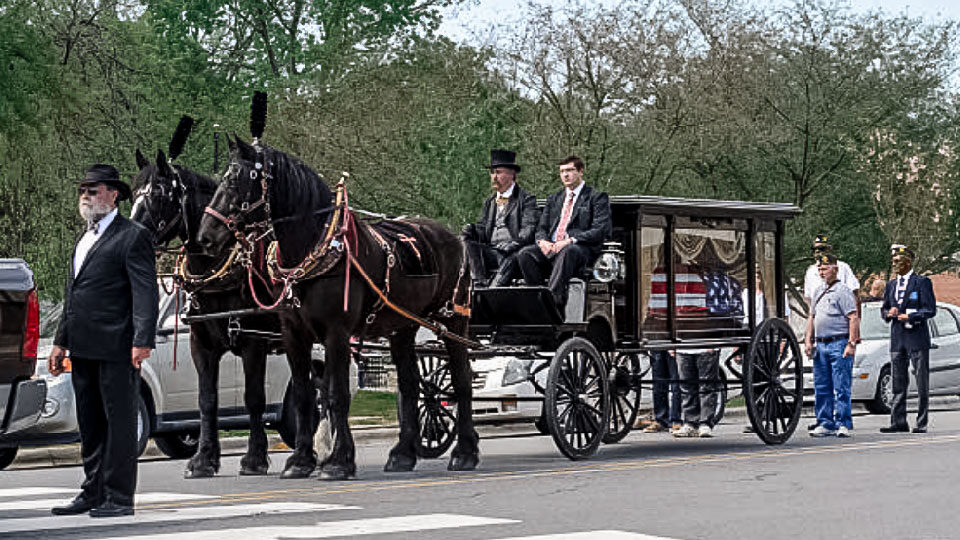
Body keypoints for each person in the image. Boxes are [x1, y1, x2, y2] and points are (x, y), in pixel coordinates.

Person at [48, 164, 159, 517]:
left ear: (113, 195)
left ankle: (119, 496)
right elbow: (74, 294)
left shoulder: (133, 235)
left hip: (117, 346)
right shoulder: (84, 239)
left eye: (93, 190)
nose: (86, 195)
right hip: (82, 346)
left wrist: (142, 339)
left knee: (120, 423)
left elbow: (145, 293)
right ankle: (92, 491)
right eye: (83, 189)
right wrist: (59, 340)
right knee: (91, 423)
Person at [515, 156, 612, 309]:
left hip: (580, 250)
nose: (565, 175)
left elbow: (600, 230)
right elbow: (541, 228)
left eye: (569, 170)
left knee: (568, 251)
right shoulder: (554, 198)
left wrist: (570, 240)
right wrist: (542, 242)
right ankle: (538, 298)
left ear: (581, 172)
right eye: (562, 171)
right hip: (553, 247)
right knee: (525, 254)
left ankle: (554, 299)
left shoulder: (596, 197)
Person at [880, 245, 936, 434]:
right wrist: (890, 312)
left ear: (908, 262)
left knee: (921, 381)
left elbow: (930, 310)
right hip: (898, 338)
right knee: (898, 381)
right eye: (893, 261)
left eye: (898, 261)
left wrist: (911, 317)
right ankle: (898, 421)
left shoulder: (921, 282)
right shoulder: (891, 285)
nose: (894, 264)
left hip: (917, 338)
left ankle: (921, 422)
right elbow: (884, 310)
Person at [462, 149, 538, 286]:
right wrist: (472, 230)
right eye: (492, 173)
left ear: (511, 174)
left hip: (514, 253)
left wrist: (513, 244)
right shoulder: (490, 202)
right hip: (492, 251)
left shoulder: (526, 199)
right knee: (468, 244)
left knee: (513, 257)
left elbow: (529, 228)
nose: (494, 177)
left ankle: (493, 291)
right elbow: (483, 229)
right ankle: (479, 283)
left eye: (498, 172)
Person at [804, 253, 860, 437]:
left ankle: (843, 422)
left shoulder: (842, 291)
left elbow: (853, 317)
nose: (822, 272)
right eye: (819, 268)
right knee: (822, 386)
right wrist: (808, 340)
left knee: (841, 385)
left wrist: (851, 343)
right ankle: (825, 422)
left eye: (825, 268)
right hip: (821, 344)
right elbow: (811, 317)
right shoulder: (818, 291)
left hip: (839, 341)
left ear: (835, 269)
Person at [803, 235, 860, 313]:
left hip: (841, 315)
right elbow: (808, 298)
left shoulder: (843, 267)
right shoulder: (810, 272)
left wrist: (856, 317)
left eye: (821, 248)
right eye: (814, 249)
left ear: (829, 249)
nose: (817, 252)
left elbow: (855, 293)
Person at [673, 347, 721, 438]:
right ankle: (690, 422)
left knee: (706, 386)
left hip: (705, 347)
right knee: (686, 387)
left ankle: (705, 423)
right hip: (683, 348)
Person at [641, 350, 682, 433]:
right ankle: (661, 419)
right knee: (658, 382)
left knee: (676, 382)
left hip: (673, 342)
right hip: (657, 343)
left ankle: (676, 419)